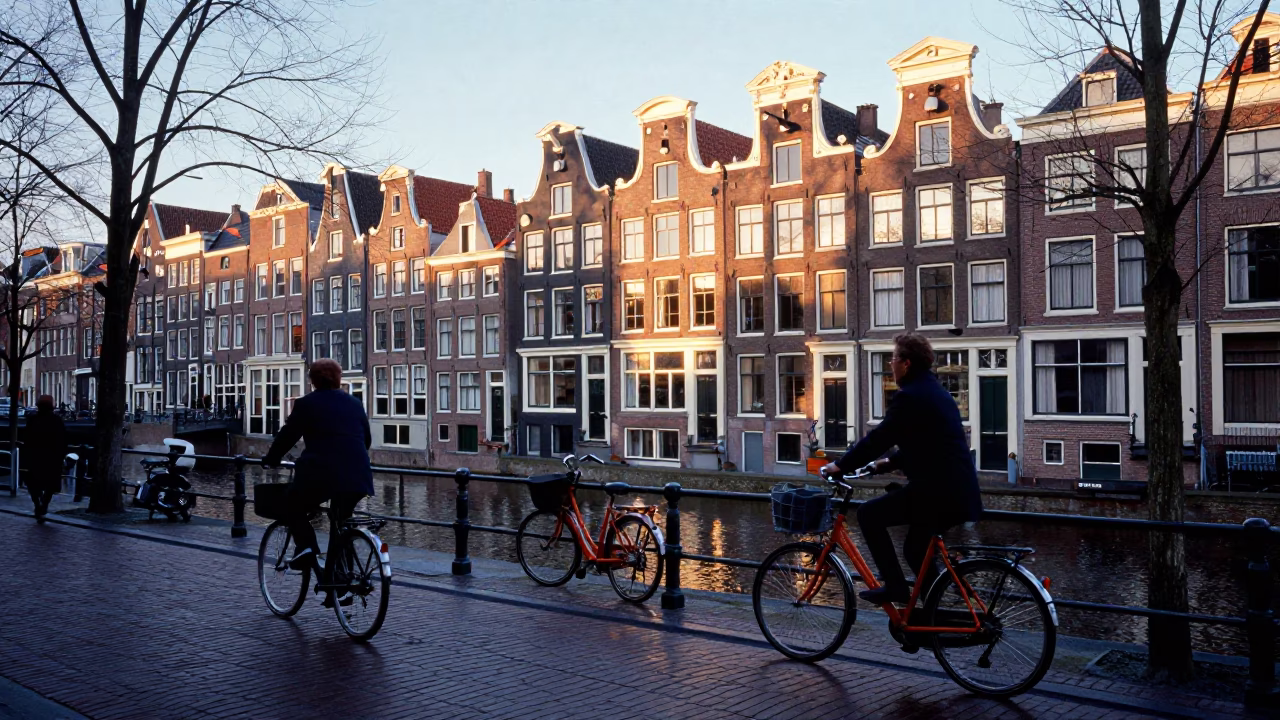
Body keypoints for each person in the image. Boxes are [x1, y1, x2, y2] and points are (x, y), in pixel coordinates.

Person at [822, 333, 983, 605]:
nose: (890, 364)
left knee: (868, 514)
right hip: (958, 490)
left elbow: (880, 438)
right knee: (915, 550)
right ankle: (931, 616)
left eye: (893, 358)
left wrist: (840, 465)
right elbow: (928, 442)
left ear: (906, 364)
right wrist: (890, 462)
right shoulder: (936, 392)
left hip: (937, 492)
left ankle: (896, 588)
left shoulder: (909, 396)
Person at [262, 359, 373, 604]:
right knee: (339, 522)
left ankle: (306, 548)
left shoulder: (307, 404)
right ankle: (337, 584)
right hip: (358, 475)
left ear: (312, 380)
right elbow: (366, 440)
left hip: (321, 473)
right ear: (338, 378)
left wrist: (271, 458)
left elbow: (287, 436)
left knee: (291, 502)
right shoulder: (355, 404)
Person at [25, 395, 67, 522]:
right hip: (52, 458)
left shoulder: (32, 420)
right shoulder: (57, 420)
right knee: (51, 484)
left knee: (33, 484)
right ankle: (44, 505)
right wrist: (61, 455)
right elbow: (62, 439)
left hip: (35, 457)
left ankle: (38, 504)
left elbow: (26, 438)